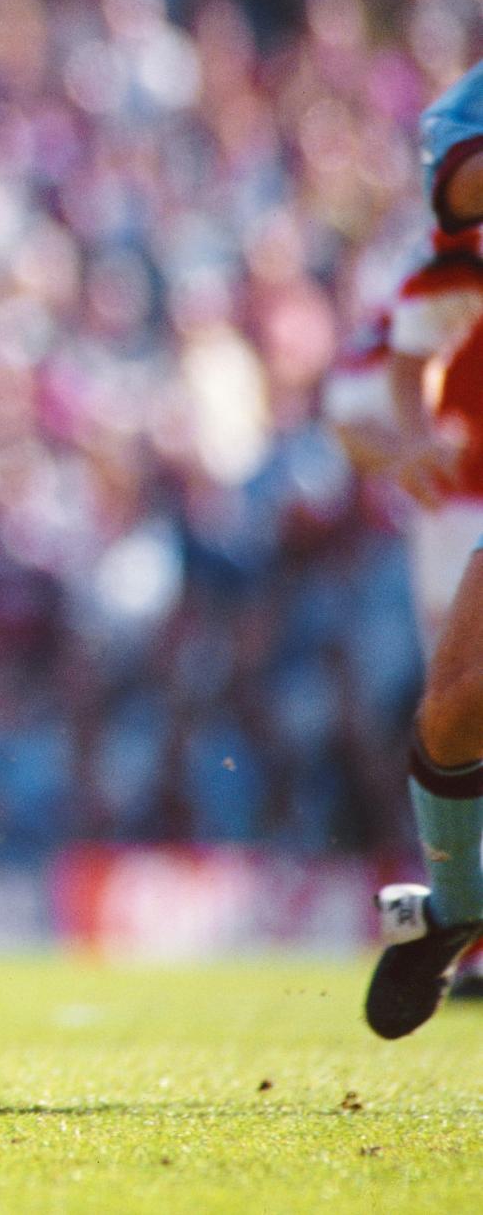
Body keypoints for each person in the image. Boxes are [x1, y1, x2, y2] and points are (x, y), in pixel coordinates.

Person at [363, 60, 483, 1037]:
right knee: (451, 710)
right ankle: (457, 910)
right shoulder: (465, 110)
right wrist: (411, 437)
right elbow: (458, 187)